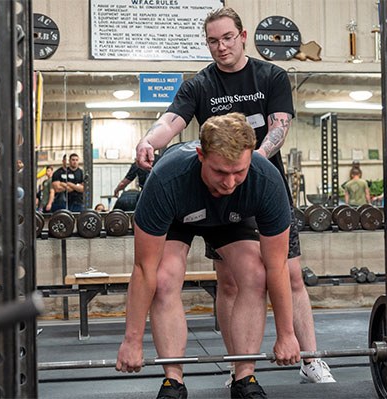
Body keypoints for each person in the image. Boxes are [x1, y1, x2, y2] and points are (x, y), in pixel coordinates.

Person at [134, 7, 335, 385]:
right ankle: (239, 365)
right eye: (213, 40)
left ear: (242, 37)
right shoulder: (200, 85)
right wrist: (148, 140)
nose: (221, 46)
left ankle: (310, 358)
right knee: (229, 280)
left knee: (289, 274)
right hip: (219, 193)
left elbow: (279, 127)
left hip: (262, 187)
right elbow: (171, 121)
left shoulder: (270, 75)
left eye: (227, 38)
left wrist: (249, 166)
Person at [116, 113, 300, 399]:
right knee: (164, 278)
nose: (229, 182)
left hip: (232, 217)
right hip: (179, 215)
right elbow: (144, 269)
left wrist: (287, 334)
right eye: (220, 172)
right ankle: (173, 380)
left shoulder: (265, 180)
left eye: (238, 171)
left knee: (256, 273)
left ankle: (244, 377)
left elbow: (278, 266)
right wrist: (132, 340)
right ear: (201, 155)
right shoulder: (166, 179)